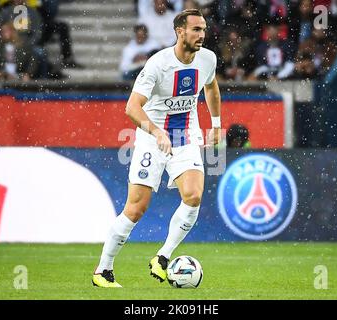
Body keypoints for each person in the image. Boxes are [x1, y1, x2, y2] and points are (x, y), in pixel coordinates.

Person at [92, 9, 221, 288]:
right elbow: (132, 107)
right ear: (180, 32)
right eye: (196, 29)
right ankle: (103, 270)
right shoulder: (157, 64)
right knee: (136, 208)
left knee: (194, 195)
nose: (202, 35)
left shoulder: (207, 59)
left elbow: (211, 87)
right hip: (152, 138)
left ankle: (162, 257)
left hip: (186, 136)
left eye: (203, 29)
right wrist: (156, 131)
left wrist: (217, 123)